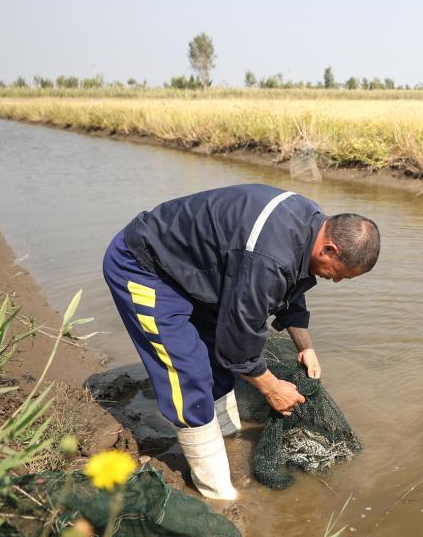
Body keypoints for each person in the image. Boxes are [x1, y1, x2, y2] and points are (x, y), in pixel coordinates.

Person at [102, 184, 380, 500]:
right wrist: (272, 389)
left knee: (216, 363)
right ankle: (217, 491)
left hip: (201, 273)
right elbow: (238, 342)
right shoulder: (270, 256)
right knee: (186, 371)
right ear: (329, 249)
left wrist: (307, 347)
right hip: (146, 268)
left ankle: (227, 438)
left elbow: (290, 287)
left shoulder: (311, 224)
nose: (337, 280)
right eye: (341, 273)